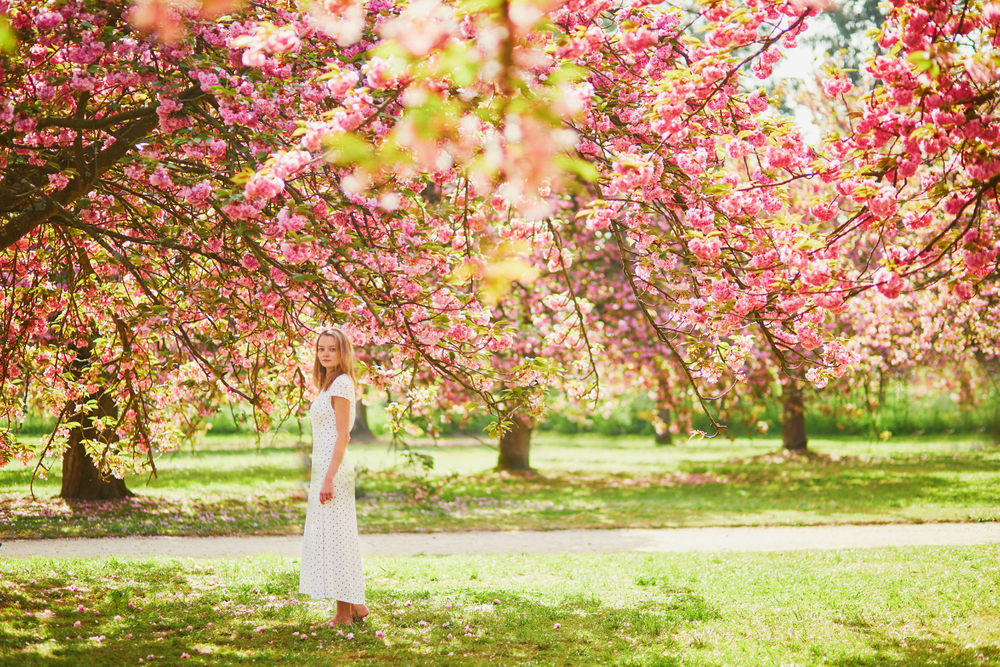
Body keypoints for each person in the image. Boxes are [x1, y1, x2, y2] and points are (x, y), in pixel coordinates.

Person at [298, 327, 368, 624]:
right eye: (321, 348)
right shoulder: (328, 384)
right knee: (332, 536)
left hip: (335, 470)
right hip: (325, 467)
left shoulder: (341, 384)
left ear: (343, 352)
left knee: (338, 538)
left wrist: (327, 478)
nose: (325, 354)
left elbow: (343, 436)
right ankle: (356, 605)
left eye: (332, 349)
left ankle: (344, 614)